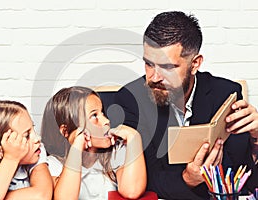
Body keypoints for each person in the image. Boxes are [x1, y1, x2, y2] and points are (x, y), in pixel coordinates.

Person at [111, 11, 258, 199]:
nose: (154, 77)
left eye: (168, 67)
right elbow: (140, 179)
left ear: (195, 64)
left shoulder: (226, 93)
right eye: (149, 64)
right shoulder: (129, 100)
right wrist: (188, 178)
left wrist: (256, 139)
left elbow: (241, 176)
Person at [41, 86, 146, 200]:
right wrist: (77, 146)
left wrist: (134, 138)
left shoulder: (115, 154)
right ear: (65, 131)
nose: (106, 121)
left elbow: (132, 191)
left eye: (102, 113)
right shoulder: (52, 164)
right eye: (94, 116)